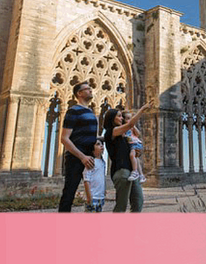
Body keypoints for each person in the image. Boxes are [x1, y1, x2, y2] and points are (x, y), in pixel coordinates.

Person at [103, 100, 153, 212]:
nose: (122, 118)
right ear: (112, 119)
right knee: (121, 206)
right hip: (122, 171)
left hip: (131, 172)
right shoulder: (111, 131)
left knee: (138, 202)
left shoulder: (124, 135)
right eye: (119, 116)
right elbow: (130, 124)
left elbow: (134, 142)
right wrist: (142, 109)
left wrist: (137, 152)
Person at [57, 81, 97, 212]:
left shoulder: (90, 112)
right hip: (76, 158)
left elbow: (90, 137)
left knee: (94, 193)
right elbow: (64, 138)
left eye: (90, 89)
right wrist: (82, 157)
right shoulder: (73, 111)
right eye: (87, 89)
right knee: (69, 192)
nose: (90, 91)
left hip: (90, 158)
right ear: (79, 93)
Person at [82, 137, 106, 212]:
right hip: (93, 197)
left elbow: (102, 178)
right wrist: (89, 197)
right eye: (98, 144)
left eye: (102, 144)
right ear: (92, 149)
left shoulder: (103, 162)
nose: (101, 146)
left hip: (100, 198)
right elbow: (86, 179)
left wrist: (104, 190)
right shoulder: (91, 162)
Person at [122, 111, 145, 183]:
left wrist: (133, 126)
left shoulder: (131, 128)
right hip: (131, 144)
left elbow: (138, 134)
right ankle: (141, 175)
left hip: (135, 143)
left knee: (132, 155)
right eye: (128, 118)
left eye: (131, 118)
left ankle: (135, 172)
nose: (130, 120)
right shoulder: (123, 128)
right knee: (136, 158)